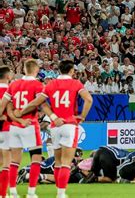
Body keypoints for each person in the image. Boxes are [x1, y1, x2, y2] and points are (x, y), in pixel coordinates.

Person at [18, 60, 93, 198]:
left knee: (57, 163)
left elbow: (38, 102)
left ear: (59, 70)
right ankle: (61, 194)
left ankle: (59, 192)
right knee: (66, 163)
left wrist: (22, 111)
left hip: (55, 126)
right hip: (70, 124)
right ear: (71, 71)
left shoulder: (51, 84)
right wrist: (82, 116)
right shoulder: (76, 83)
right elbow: (89, 99)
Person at [1, 60, 44, 198]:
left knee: (14, 161)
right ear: (36, 69)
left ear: (24, 69)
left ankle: (12, 192)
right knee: (36, 158)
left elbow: (3, 106)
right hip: (30, 124)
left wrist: (15, 115)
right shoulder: (38, 85)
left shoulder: (13, 84)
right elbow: (39, 103)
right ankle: (31, 192)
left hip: (14, 127)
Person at [0, 66, 11, 198]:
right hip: (6, 128)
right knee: (6, 162)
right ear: (7, 76)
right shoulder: (10, 90)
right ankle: (3, 194)